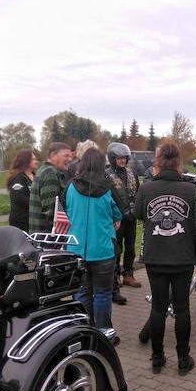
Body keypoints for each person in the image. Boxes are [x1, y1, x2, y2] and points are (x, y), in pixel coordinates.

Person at [134, 142, 196, 375]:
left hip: (155, 257)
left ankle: (157, 359)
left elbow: (137, 214)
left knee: (158, 308)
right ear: (178, 163)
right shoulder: (188, 190)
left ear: (158, 161)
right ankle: (183, 359)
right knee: (182, 308)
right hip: (183, 258)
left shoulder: (146, 189)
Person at [64, 147, 123, 343]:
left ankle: (83, 330)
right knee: (103, 293)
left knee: (82, 292)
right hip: (104, 249)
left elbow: (64, 209)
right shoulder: (108, 187)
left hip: (76, 249)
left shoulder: (70, 186)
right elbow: (119, 212)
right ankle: (105, 332)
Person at [105, 142, 142, 289]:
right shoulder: (106, 175)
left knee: (130, 247)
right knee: (116, 248)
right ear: (112, 158)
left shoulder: (132, 173)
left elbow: (139, 193)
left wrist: (137, 212)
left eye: (124, 158)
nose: (122, 160)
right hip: (116, 220)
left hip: (131, 217)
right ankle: (115, 276)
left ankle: (128, 274)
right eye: (119, 158)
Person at [28, 142, 72, 233]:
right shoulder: (50, 173)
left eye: (70, 156)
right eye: (66, 156)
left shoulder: (43, 170)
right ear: (53, 156)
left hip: (39, 234)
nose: (70, 159)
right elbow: (50, 211)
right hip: (46, 236)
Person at [6, 149, 38, 232]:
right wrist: (37, 203)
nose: (36, 161)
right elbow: (18, 197)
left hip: (34, 220)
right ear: (26, 161)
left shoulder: (37, 177)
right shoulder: (18, 178)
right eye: (33, 159)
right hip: (21, 221)